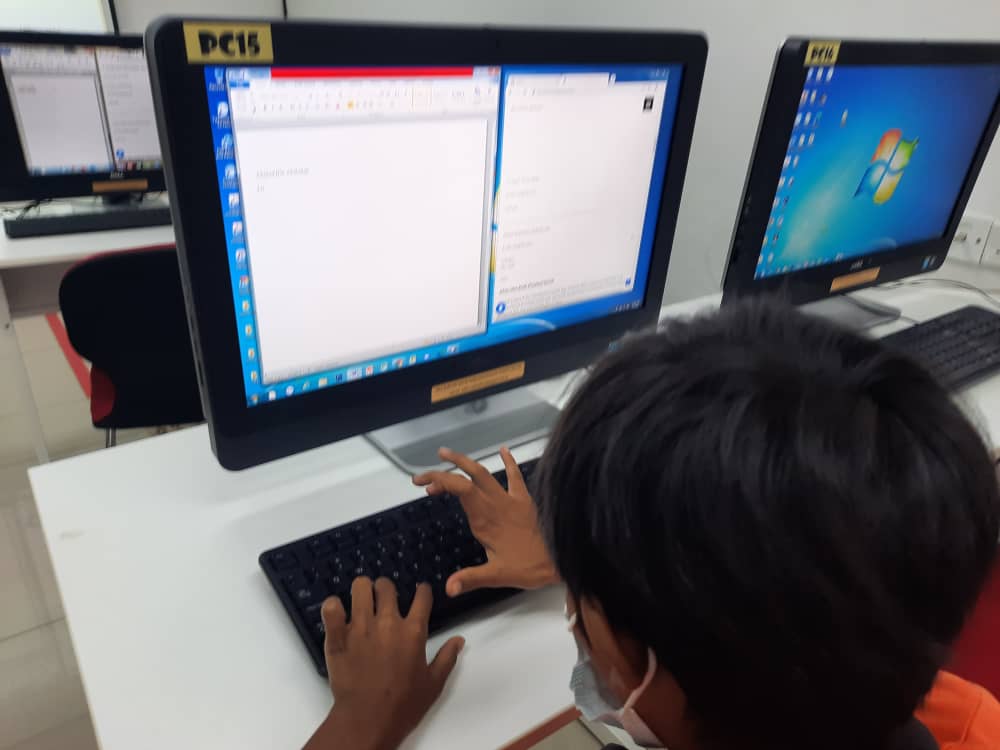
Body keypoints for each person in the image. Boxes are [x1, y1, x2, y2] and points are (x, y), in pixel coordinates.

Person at [304, 298, 1000, 750]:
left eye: (582, 610)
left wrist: (360, 722)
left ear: (631, 662)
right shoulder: (957, 717)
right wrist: (609, 554)